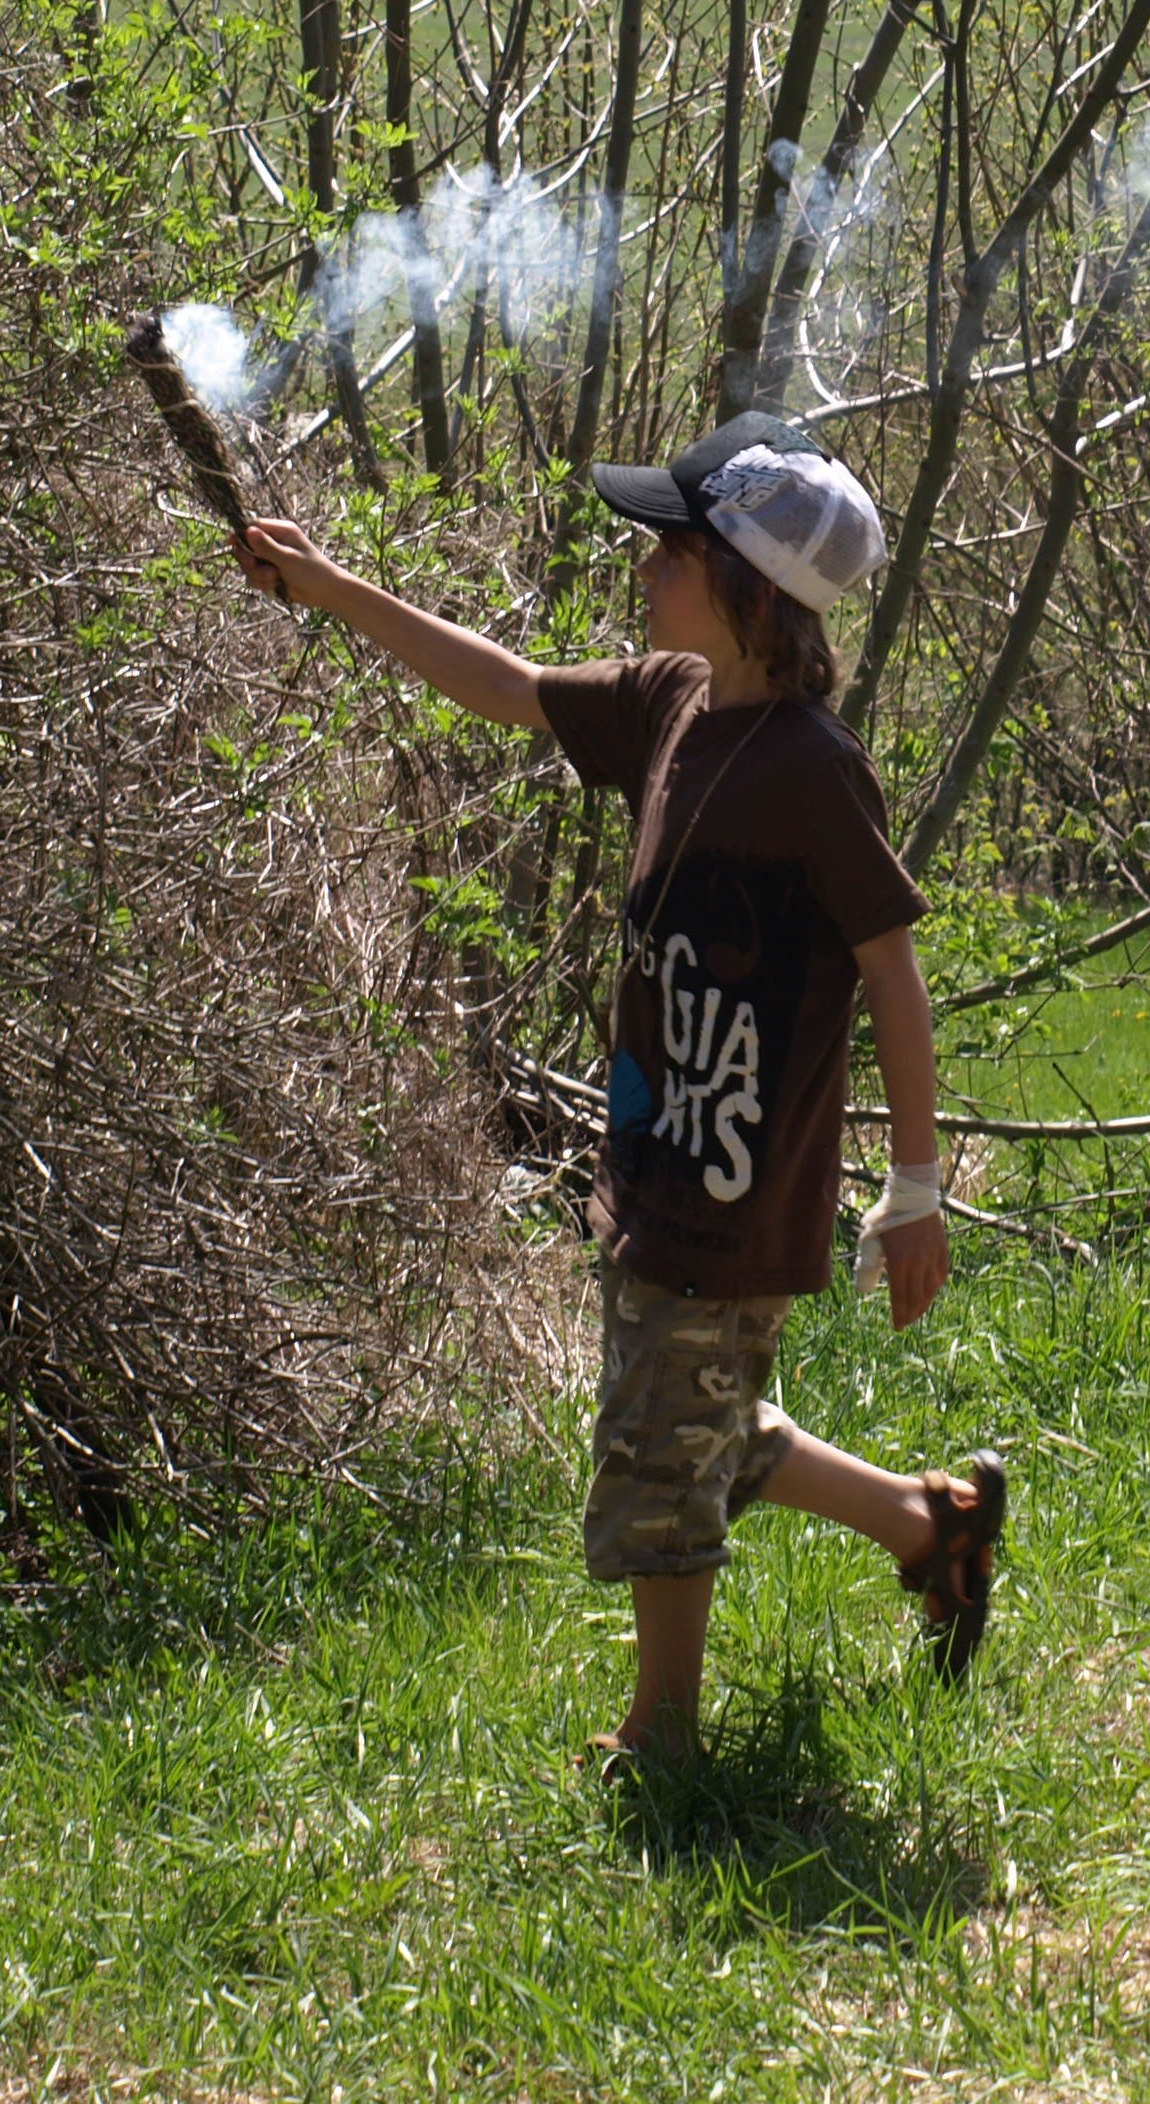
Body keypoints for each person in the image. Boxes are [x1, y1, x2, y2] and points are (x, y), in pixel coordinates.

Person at [234, 410, 1007, 1762]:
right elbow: (509, 684)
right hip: (656, 1167)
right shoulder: (669, 702)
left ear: (748, 589)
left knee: (661, 1448)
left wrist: (916, 1190)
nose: (643, 567)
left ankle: (665, 1739)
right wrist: (332, 587)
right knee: (689, 1410)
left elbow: (893, 974)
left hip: (738, 1189)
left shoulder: (814, 775)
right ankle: (926, 1524)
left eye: (670, 550)